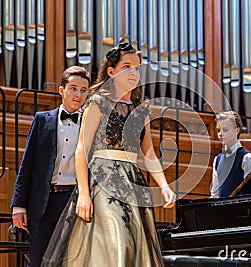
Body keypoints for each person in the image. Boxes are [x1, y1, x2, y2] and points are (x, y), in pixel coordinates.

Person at [41, 42, 176, 267]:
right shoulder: (98, 102)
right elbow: (82, 149)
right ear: (112, 71)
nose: (134, 72)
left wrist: (164, 185)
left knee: (135, 249)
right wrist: (83, 193)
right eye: (127, 66)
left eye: (137, 67)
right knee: (116, 244)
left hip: (133, 182)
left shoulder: (140, 108)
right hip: (103, 181)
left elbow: (149, 151)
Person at [10, 66, 91, 267]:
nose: (78, 94)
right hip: (42, 202)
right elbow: (27, 164)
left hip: (73, 201)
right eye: (73, 88)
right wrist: (18, 205)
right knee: (37, 262)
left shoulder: (90, 126)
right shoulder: (42, 120)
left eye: (83, 90)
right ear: (62, 90)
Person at [210, 111, 251, 198]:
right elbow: (215, 194)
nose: (220, 134)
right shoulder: (217, 159)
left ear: (237, 130)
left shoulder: (246, 158)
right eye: (218, 130)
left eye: (225, 130)